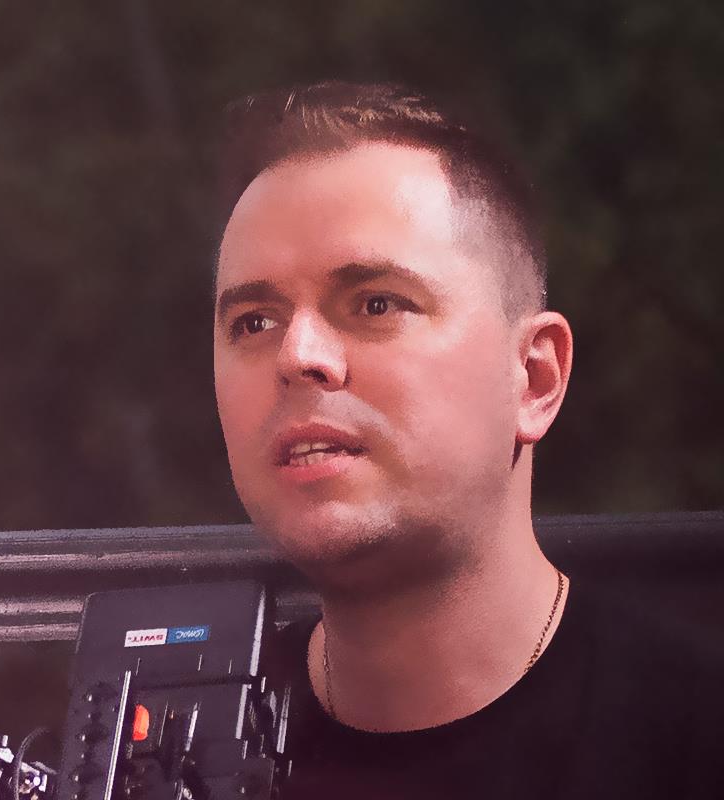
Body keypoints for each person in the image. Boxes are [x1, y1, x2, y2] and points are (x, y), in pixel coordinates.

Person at [211, 82, 722, 799]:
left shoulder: (693, 737)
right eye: (254, 322)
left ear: (534, 377)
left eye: (376, 304)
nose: (298, 355)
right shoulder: (175, 759)